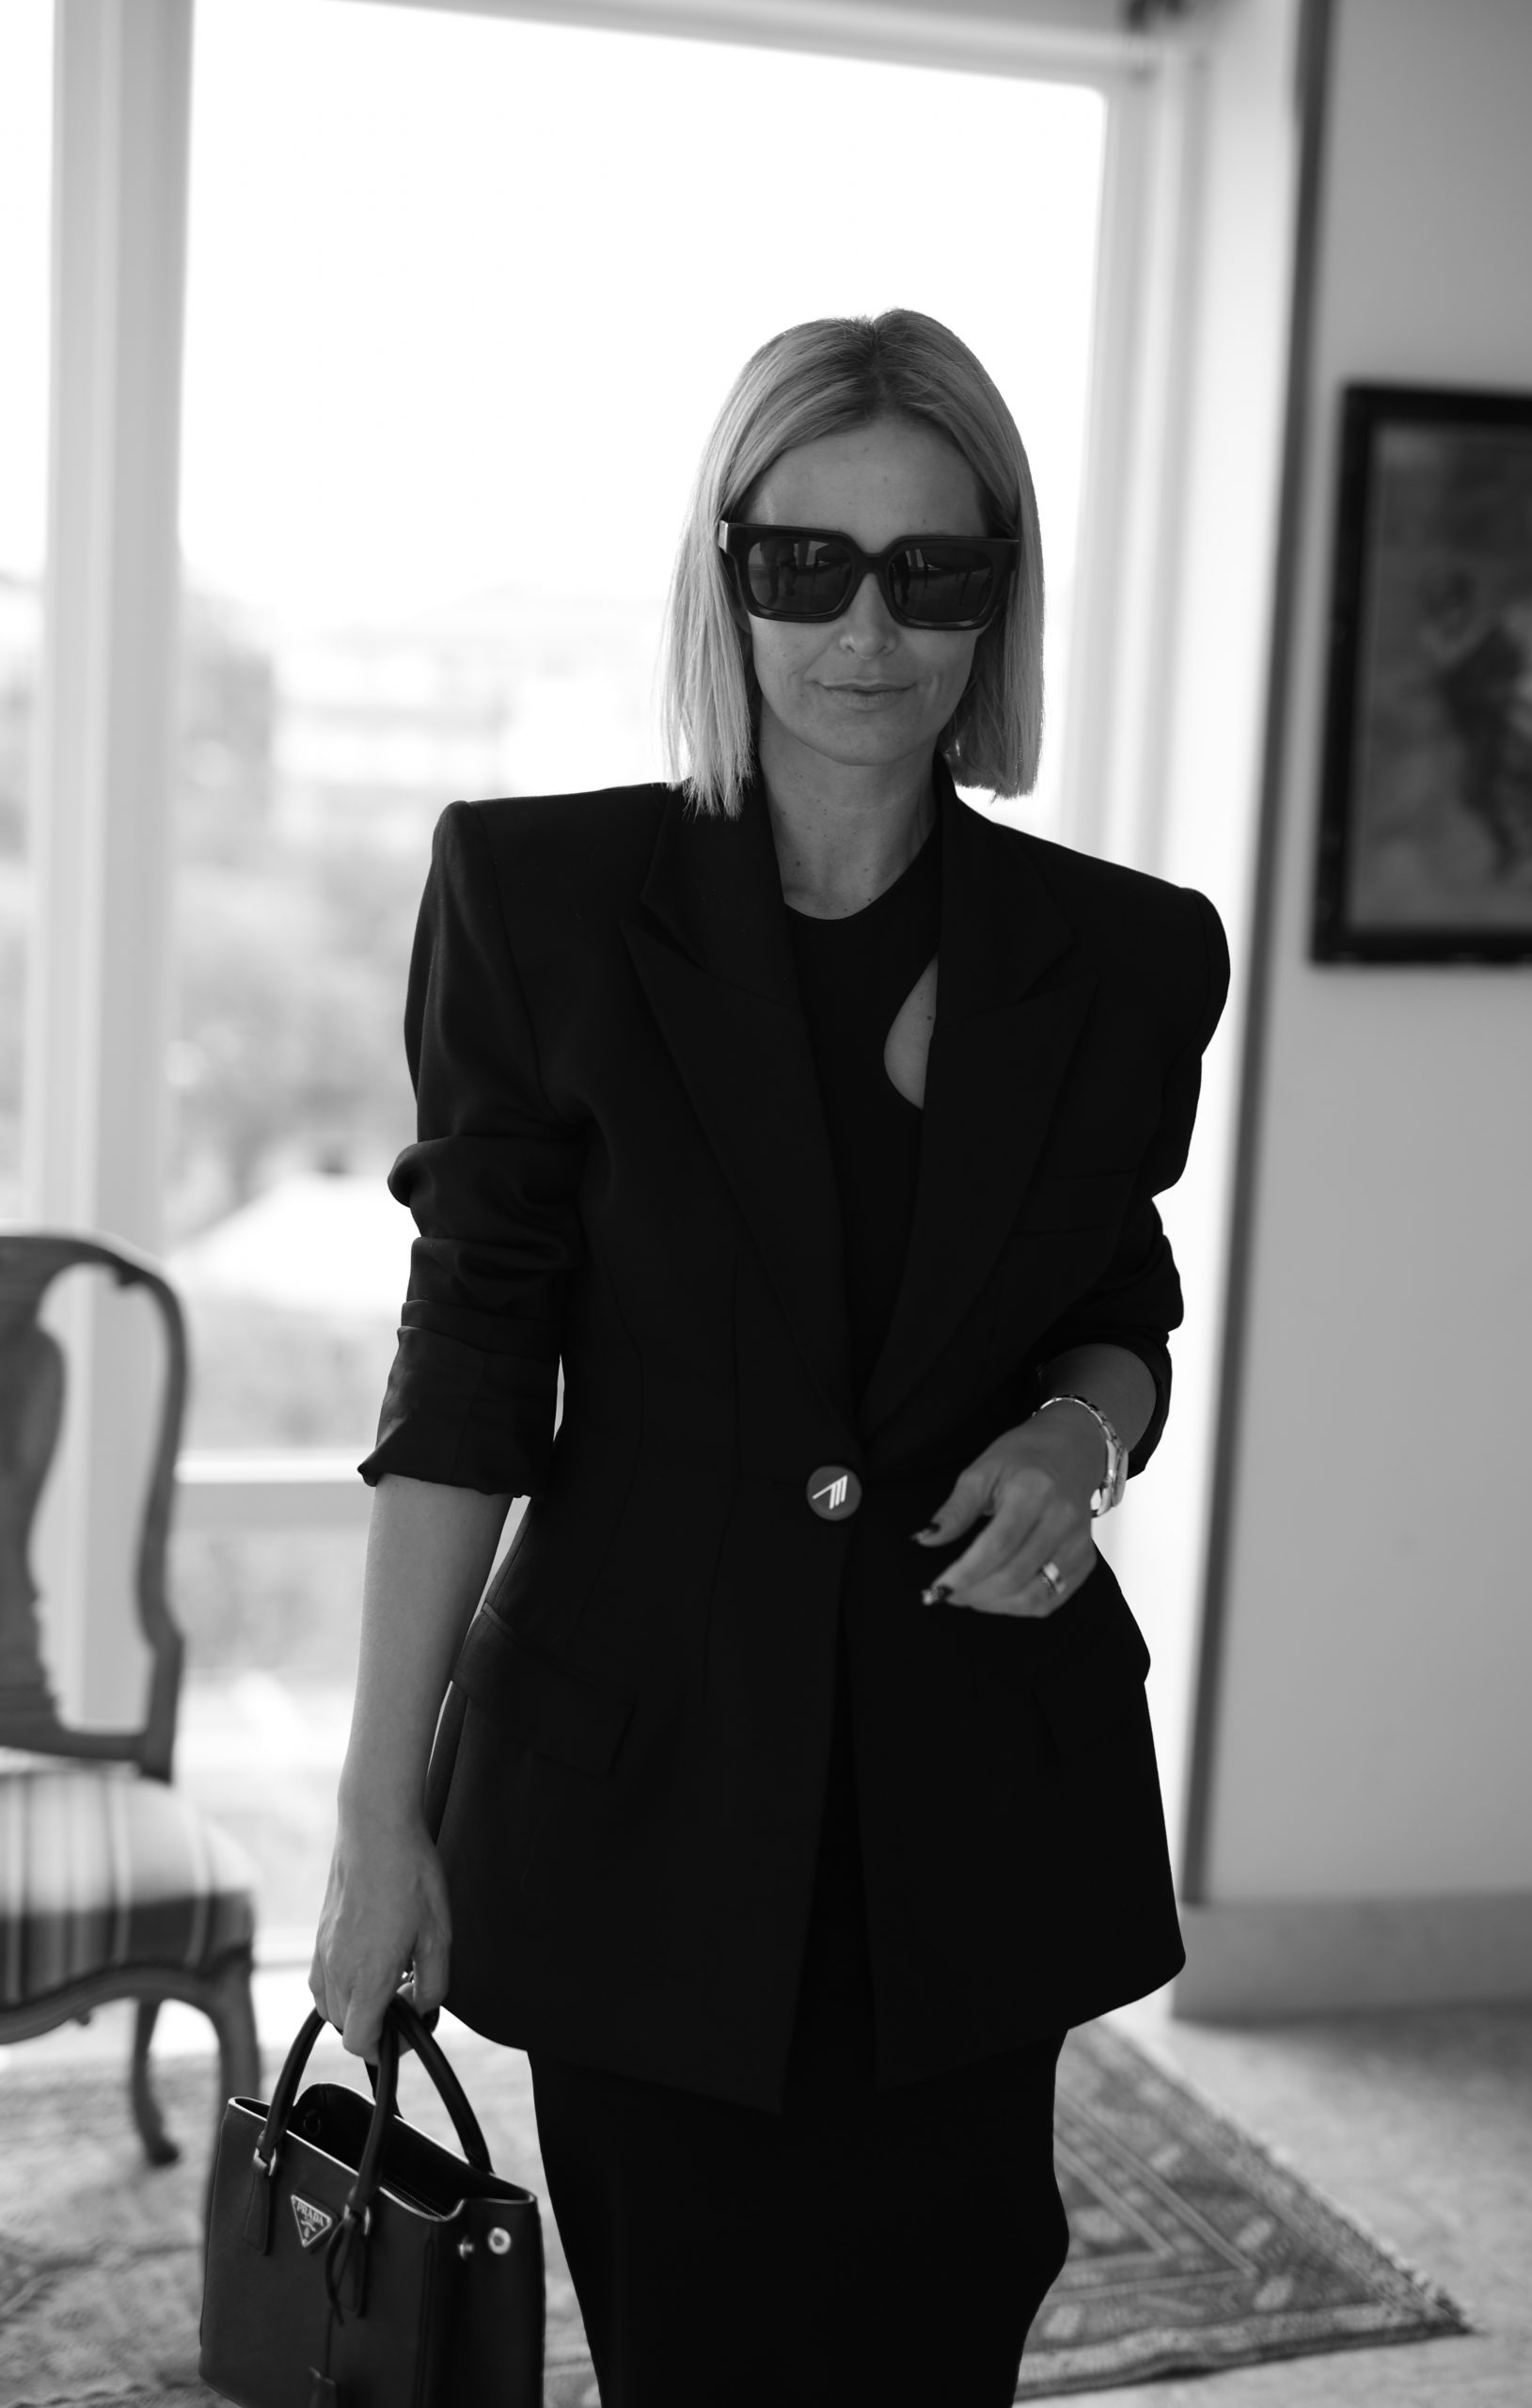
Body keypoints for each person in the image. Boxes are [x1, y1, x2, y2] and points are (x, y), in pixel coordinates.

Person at [312, 308, 1229, 2406]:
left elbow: (1119, 1299)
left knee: (942, 2335)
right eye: (803, 563)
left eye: (931, 570)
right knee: (697, 2350)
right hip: (642, 1801)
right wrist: (378, 1808)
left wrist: (1076, 1442)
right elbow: (468, 1371)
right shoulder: (541, 899)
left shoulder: (1122, 955)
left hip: (973, 1810)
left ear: (996, 596)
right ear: (721, 575)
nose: (864, 630)